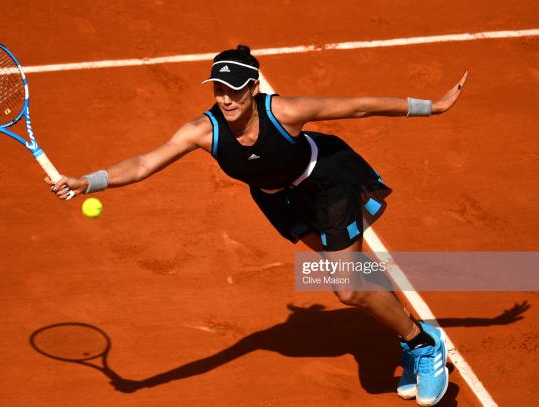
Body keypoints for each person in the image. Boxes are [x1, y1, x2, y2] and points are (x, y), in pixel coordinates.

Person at [47, 45, 467, 406]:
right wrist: (87, 182)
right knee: (352, 275)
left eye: (233, 91)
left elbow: (359, 105)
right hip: (279, 199)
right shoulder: (202, 131)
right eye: (218, 90)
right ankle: (411, 332)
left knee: (348, 287)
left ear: (253, 89)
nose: (225, 100)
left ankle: (422, 344)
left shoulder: (285, 112)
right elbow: (142, 164)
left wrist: (432, 107)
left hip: (325, 181)